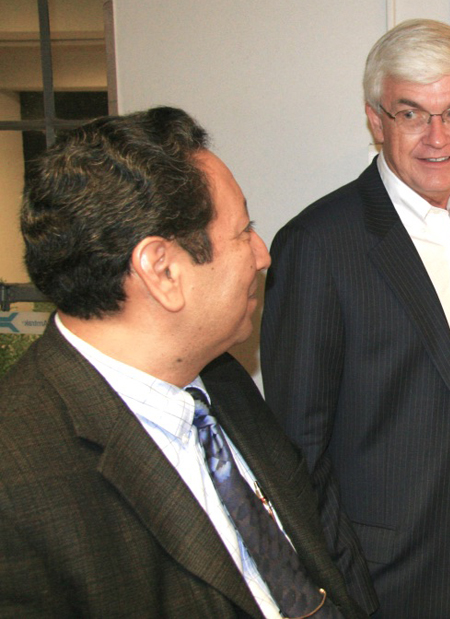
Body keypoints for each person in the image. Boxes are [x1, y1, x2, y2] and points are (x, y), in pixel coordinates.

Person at [0, 107, 377, 618]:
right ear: (163, 271)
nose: (263, 255)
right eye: (245, 232)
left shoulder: (220, 380)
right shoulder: (17, 484)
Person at [260, 19, 450, 618]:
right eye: (411, 113)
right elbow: (298, 448)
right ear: (376, 121)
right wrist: (338, 584)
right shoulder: (318, 244)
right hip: (393, 575)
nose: (437, 136)